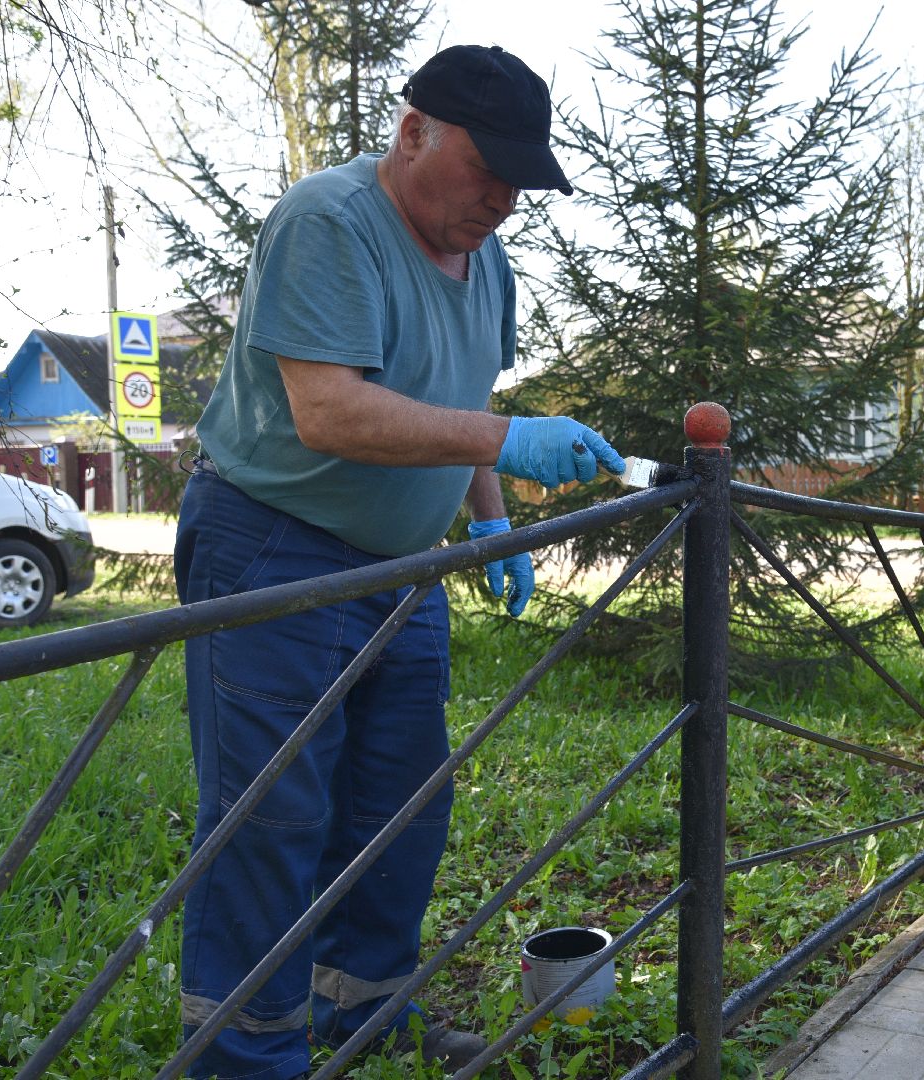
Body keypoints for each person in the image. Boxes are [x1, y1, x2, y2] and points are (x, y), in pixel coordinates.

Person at [173, 45, 624, 1079]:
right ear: (413, 132)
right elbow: (328, 411)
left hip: (404, 568)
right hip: (274, 546)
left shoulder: (485, 257)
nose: (503, 200)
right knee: (270, 819)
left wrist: (489, 521)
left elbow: (463, 403)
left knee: (399, 811)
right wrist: (507, 442)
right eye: (487, 170)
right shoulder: (329, 222)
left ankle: (363, 1015)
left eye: (520, 181)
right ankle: (246, 1058)